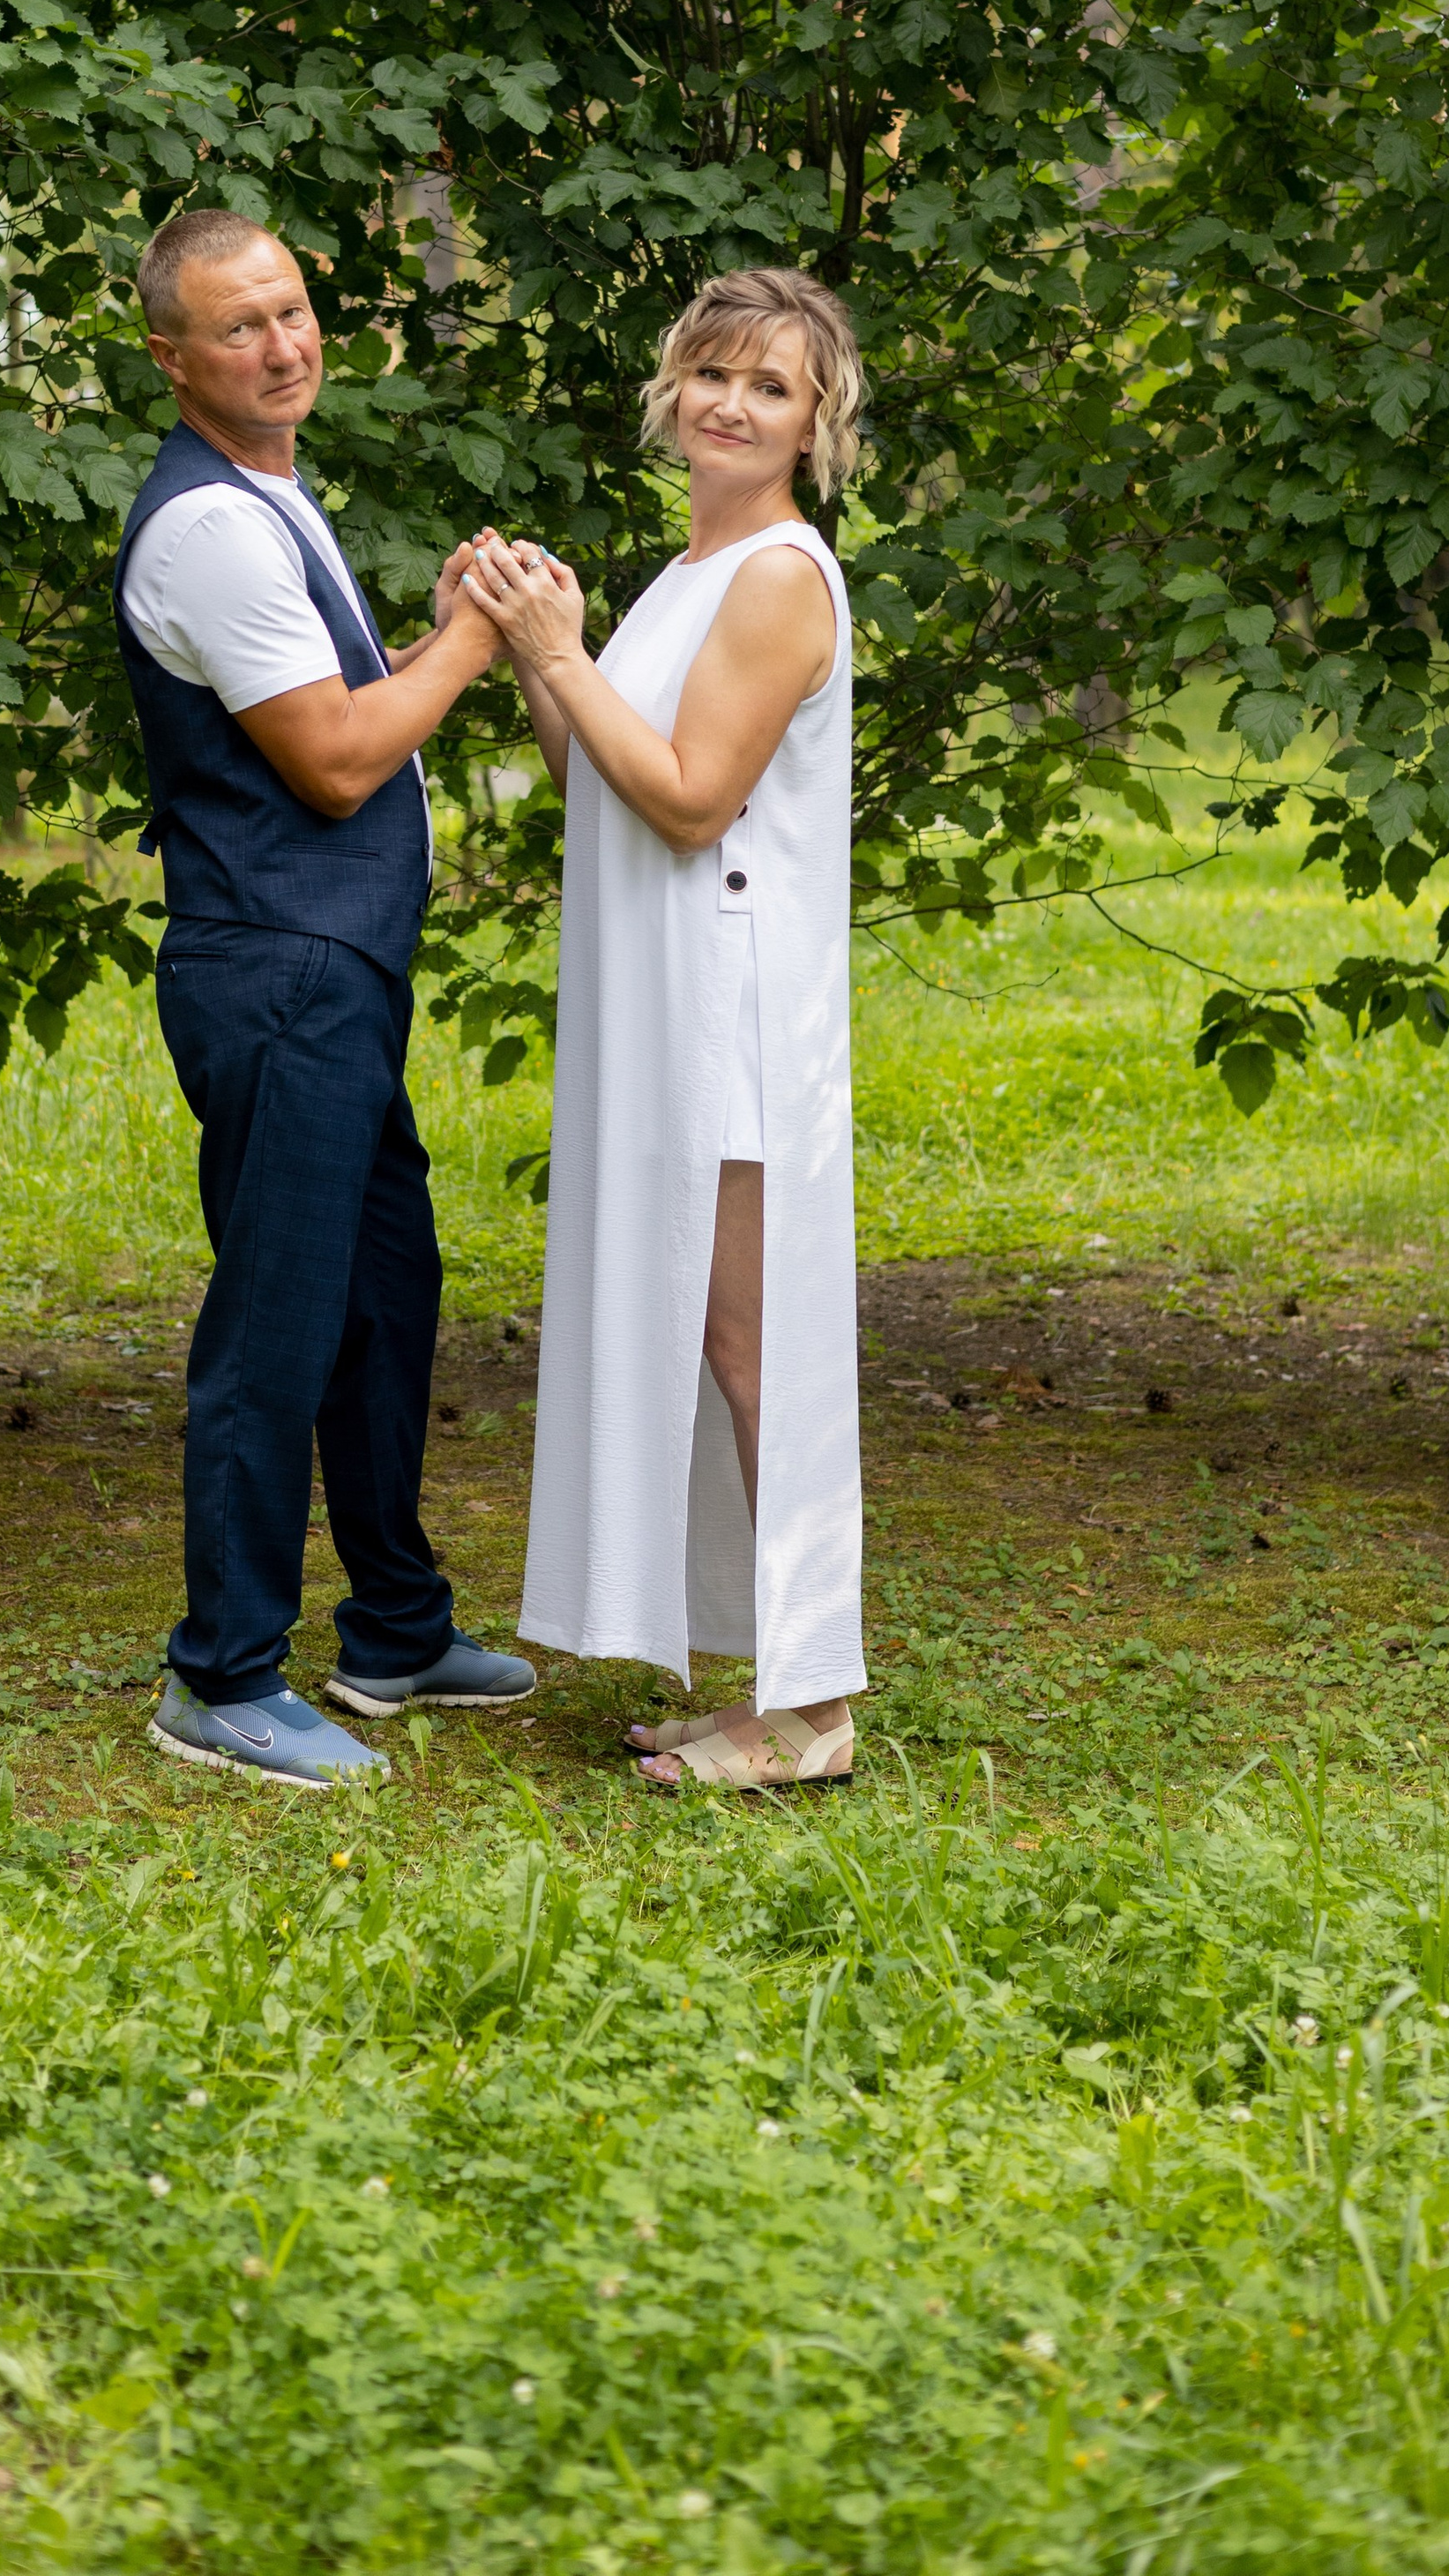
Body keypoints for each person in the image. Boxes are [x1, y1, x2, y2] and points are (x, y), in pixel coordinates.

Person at [114, 207, 535, 1789]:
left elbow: (353, 706)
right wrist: (476, 634)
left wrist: (433, 629)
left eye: (291, 311)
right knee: (277, 1323)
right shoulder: (213, 528)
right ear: (173, 358)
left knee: (382, 1296)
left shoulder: (272, 496)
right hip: (277, 969)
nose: (281, 345)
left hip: (335, 975)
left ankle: (395, 1631)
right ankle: (218, 1677)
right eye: (239, 328)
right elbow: (345, 760)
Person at [460, 266, 865, 1788]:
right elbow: (603, 787)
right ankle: (761, 1676)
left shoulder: (775, 575)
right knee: (713, 1336)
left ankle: (813, 1709)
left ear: (816, 423)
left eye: (771, 386)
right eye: (712, 373)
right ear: (671, 389)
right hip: (665, 992)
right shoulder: (690, 570)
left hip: (734, 1011)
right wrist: (533, 648)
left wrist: (567, 659)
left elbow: (695, 806)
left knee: (762, 1353)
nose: (732, 404)